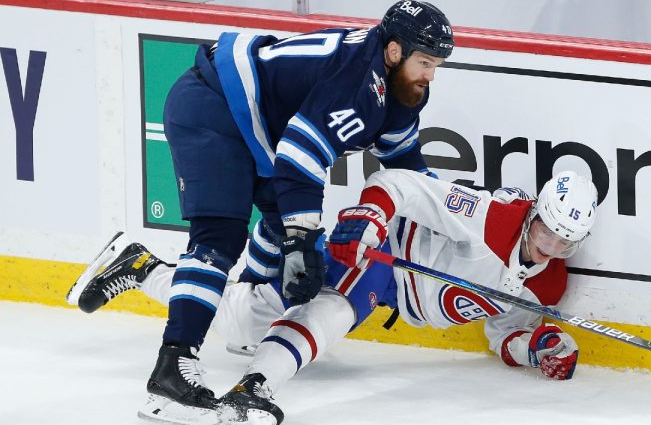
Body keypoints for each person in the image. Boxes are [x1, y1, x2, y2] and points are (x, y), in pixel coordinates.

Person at [67, 0, 454, 424]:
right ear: (394, 50)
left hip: (258, 130)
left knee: (294, 251)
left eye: (435, 65)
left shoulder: (402, 86)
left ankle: (149, 270)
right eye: (424, 62)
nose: (429, 75)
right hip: (213, 105)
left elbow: (405, 162)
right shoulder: (357, 79)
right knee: (221, 238)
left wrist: (454, 220)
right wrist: (299, 236)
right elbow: (300, 157)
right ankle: (171, 370)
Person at [67, 169, 598, 424]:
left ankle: (140, 267)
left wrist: (539, 346)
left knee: (242, 327)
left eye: (566, 240)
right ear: (533, 213)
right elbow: (402, 185)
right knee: (336, 309)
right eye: (547, 230)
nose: (552, 245)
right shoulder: (492, 216)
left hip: (394, 290)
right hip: (375, 251)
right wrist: (368, 219)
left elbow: (500, 329)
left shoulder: (549, 282)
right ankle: (254, 388)